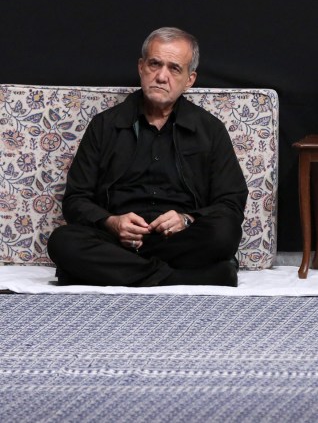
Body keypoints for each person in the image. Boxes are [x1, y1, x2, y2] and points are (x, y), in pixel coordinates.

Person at [47, 27, 248, 287]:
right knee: (62, 241)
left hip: (180, 241)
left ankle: (112, 272)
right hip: (118, 242)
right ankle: (185, 277)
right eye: (155, 64)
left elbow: (231, 202)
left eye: (174, 68)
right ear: (141, 67)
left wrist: (187, 219)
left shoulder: (210, 129)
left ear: (189, 79)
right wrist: (112, 222)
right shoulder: (104, 125)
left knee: (224, 231)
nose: (161, 76)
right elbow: (76, 199)